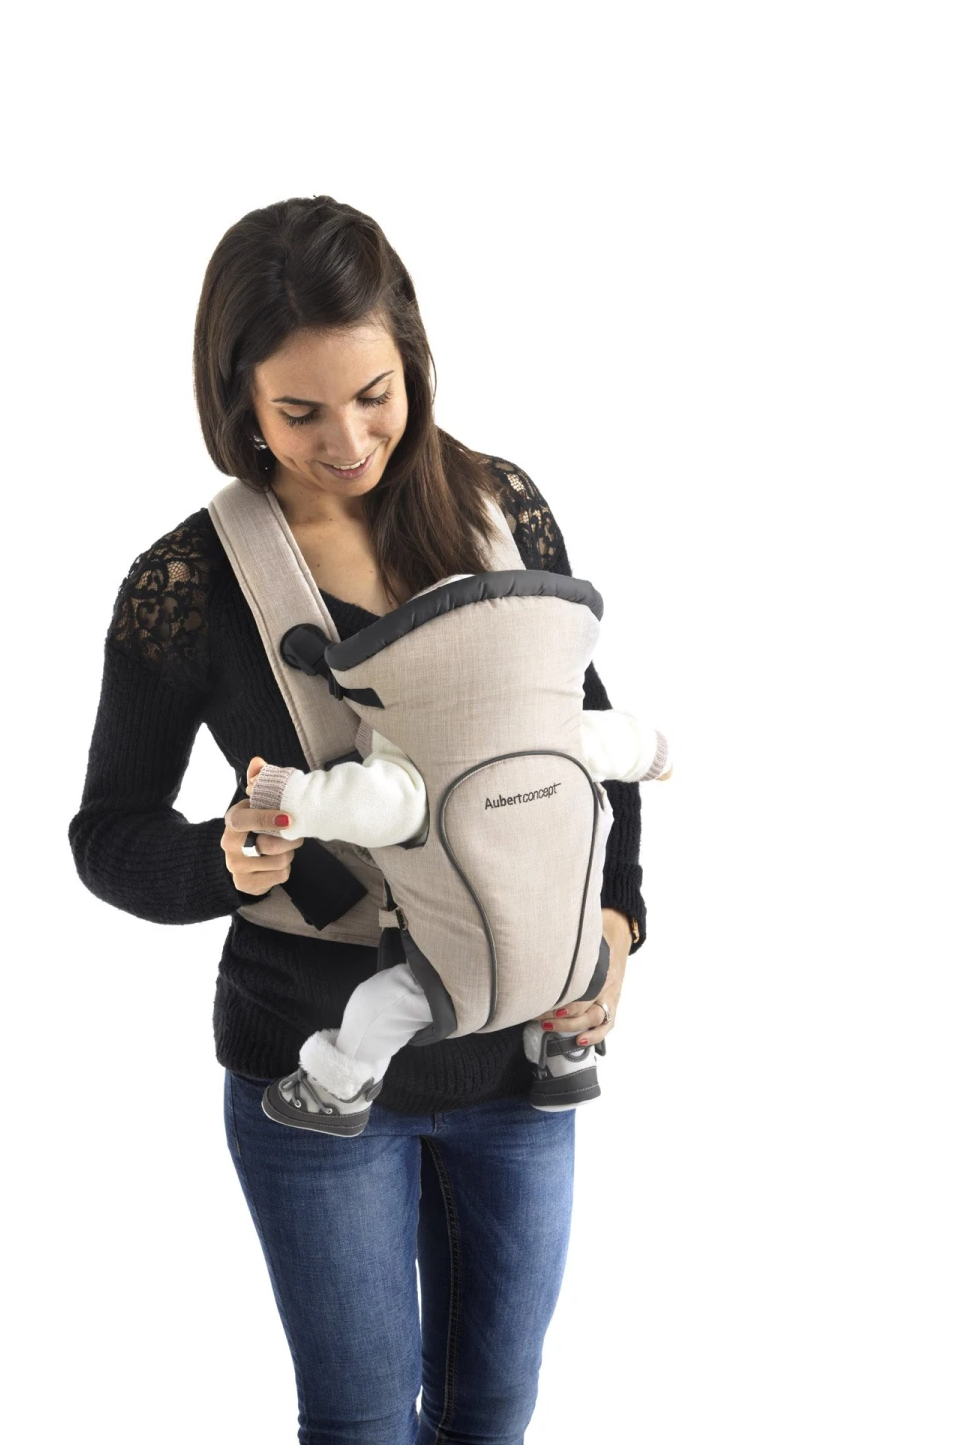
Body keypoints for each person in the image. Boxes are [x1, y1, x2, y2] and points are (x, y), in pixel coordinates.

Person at [68, 194, 653, 1445]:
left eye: (374, 395)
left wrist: (615, 923)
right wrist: (220, 859)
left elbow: (584, 744)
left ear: (413, 361)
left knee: (495, 1412)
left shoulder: (501, 510)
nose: (346, 441)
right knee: (362, 1425)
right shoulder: (188, 580)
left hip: (519, 1053)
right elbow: (107, 834)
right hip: (314, 1063)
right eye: (299, 413)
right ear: (238, 400)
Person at [242, 683, 671, 1132]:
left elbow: (353, 801)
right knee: (563, 984)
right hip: (572, 947)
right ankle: (567, 1054)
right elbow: (618, 740)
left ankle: (336, 1091)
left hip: (461, 974)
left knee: (375, 1006)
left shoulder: (417, 773)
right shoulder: (560, 733)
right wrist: (658, 755)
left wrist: (282, 793)